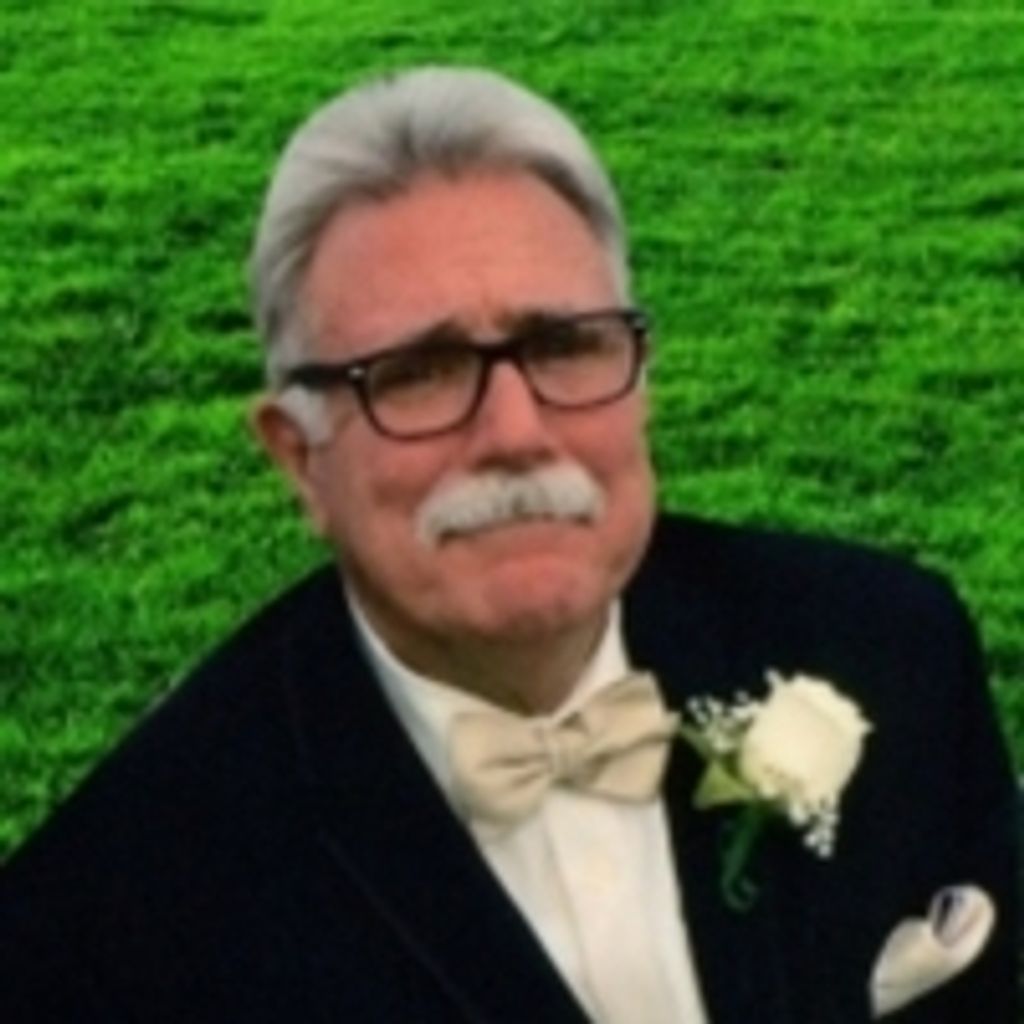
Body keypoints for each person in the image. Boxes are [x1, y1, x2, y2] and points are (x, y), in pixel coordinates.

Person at [2, 67, 1017, 1023]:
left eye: (566, 346)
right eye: (418, 372)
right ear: (300, 459)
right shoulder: (117, 915)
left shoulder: (888, 648)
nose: (516, 432)